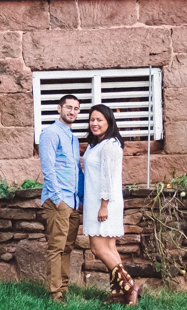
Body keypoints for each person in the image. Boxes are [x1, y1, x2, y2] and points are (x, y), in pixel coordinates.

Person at [83, 103, 139, 306]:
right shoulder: (95, 144)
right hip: (94, 201)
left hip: (104, 202)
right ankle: (118, 293)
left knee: (98, 248)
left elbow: (108, 177)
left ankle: (130, 285)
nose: (94, 123)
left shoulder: (110, 145)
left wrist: (104, 205)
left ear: (109, 122)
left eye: (99, 120)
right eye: (92, 119)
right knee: (109, 247)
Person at [39, 94, 84, 303]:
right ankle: (54, 293)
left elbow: (76, 169)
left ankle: (63, 288)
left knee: (67, 247)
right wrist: (58, 199)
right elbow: (48, 168)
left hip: (73, 201)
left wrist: (80, 198)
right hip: (59, 201)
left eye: (76, 108)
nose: (72, 111)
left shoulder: (73, 138)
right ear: (59, 109)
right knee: (56, 247)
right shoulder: (50, 133)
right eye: (68, 107)